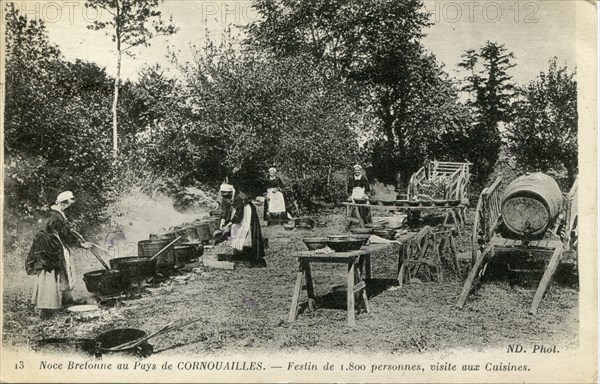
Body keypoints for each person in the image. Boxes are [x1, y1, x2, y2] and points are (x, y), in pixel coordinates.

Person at [27, 191, 92, 318]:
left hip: (50, 246)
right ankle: (48, 308)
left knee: (63, 272)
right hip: (50, 249)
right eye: (67, 205)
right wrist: (81, 244)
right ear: (62, 203)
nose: (68, 207)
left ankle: (66, 300)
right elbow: (64, 235)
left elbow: (64, 232)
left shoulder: (55, 213)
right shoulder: (55, 216)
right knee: (52, 275)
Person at [219, 182, 266, 265]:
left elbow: (239, 214)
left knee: (245, 229)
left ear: (230, 192)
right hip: (237, 210)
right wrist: (223, 220)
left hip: (246, 211)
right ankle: (238, 251)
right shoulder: (225, 196)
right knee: (235, 229)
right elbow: (224, 207)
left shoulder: (239, 197)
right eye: (223, 195)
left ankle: (250, 254)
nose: (225, 197)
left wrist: (229, 224)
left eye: (226, 195)